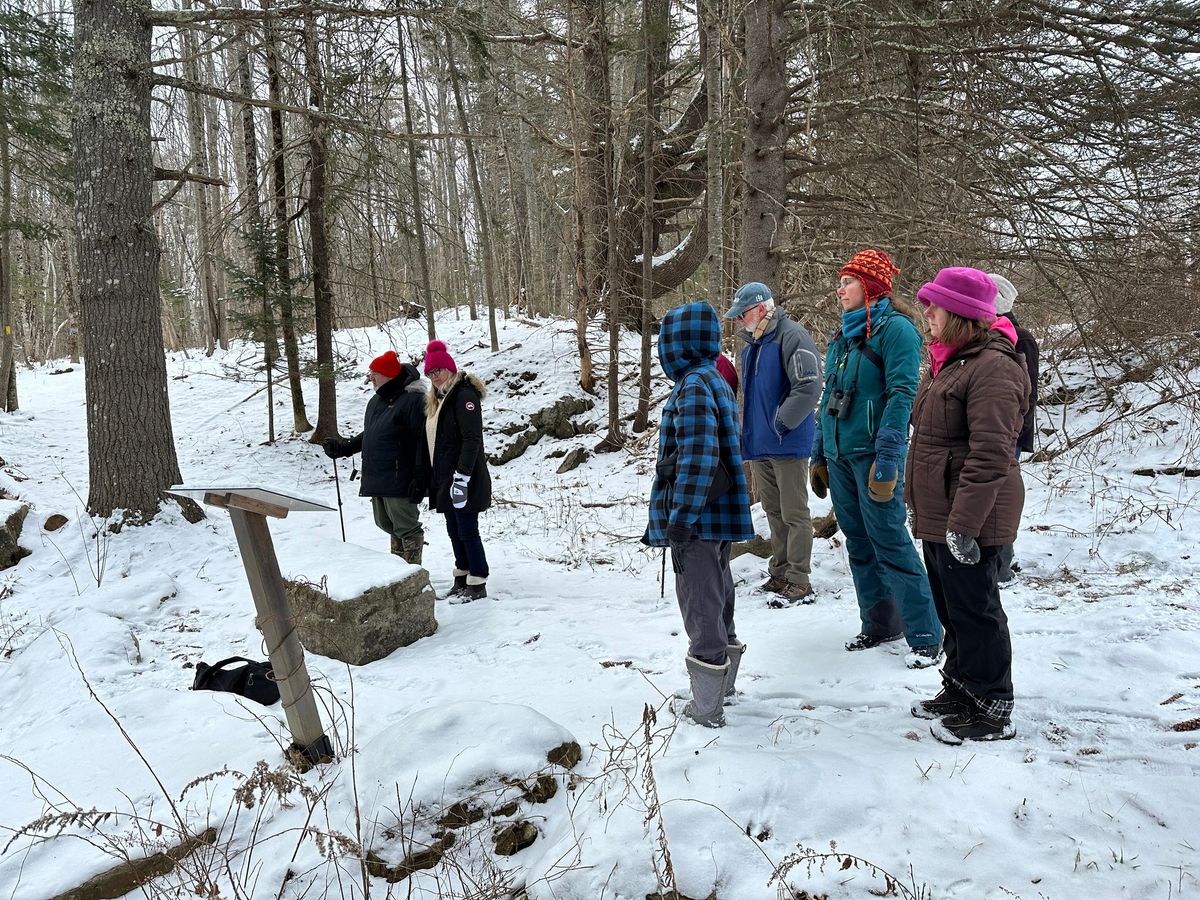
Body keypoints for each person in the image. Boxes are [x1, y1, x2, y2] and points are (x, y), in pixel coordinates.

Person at [906, 267, 1030, 744]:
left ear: (961, 314)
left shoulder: (995, 367)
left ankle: (992, 702)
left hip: (974, 516)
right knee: (951, 608)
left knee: (977, 610)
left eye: (935, 304)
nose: (926, 311)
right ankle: (960, 687)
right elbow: (933, 442)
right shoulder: (948, 362)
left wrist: (964, 524)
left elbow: (991, 454)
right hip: (943, 511)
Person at [810, 250, 943, 667]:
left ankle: (925, 633)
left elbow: (902, 395)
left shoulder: (897, 330)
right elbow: (829, 396)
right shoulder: (842, 335)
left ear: (870, 286)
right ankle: (880, 624)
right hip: (841, 454)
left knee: (889, 539)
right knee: (858, 541)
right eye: (840, 281)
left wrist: (889, 455)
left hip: (873, 455)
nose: (840, 288)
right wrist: (819, 452)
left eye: (847, 281)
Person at [644, 301, 754, 728]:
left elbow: (698, 456)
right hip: (715, 517)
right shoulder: (713, 379)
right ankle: (721, 686)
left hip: (699, 520)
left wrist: (681, 518)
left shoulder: (692, 385)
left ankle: (707, 706)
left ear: (680, 344)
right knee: (718, 593)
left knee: (700, 602)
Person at [724, 282, 822, 604]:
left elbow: (808, 386)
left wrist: (781, 423)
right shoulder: (752, 344)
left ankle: (799, 578)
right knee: (773, 511)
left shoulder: (792, 335)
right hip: (761, 444)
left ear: (762, 308)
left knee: (795, 513)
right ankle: (779, 572)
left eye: (743, 314)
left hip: (787, 442)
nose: (739, 320)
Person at [322, 350, 427, 564]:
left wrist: (420, 476)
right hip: (378, 475)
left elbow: (422, 441)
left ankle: (415, 575)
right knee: (387, 524)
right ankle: (400, 574)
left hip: (401, 477)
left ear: (388, 374)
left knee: (406, 526)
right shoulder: (376, 401)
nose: (371, 377)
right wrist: (344, 447)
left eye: (374, 373)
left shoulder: (413, 400)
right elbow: (371, 434)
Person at [419, 340, 492, 601]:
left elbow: (472, 439)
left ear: (450, 369)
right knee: (453, 529)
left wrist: (461, 477)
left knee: (467, 529)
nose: (434, 376)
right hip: (444, 479)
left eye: (438, 370)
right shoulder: (437, 401)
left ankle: (477, 581)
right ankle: (461, 578)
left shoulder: (463, 397)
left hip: (464, 478)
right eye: (430, 373)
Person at [990, 273, 1040, 584]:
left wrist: (1011, 430)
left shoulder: (1020, 338)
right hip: (997, 429)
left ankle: (1002, 566)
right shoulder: (990, 333)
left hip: (1009, 432)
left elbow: (1026, 392)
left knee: (1000, 496)